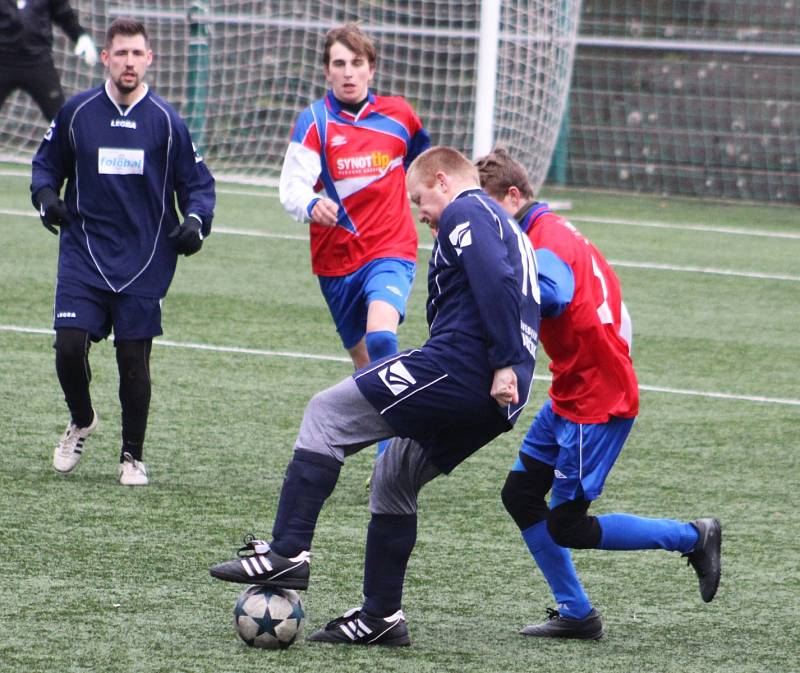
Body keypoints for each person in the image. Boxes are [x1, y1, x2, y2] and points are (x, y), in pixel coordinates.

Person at [210, 147, 540, 646]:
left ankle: (287, 552)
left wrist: (501, 363)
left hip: (464, 369)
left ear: (443, 181)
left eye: (420, 199)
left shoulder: (467, 209)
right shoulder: (507, 224)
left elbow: (495, 281)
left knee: (325, 413)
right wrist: (510, 366)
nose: (421, 211)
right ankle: (381, 616)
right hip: (498, 397)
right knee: (394, 476)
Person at [474, 147, 721, 640]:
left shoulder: (543, 243)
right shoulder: (555, 229)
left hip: (596, 399)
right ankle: (577, 613)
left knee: (568, 524)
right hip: (576, 384)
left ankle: (694, 537)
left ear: (514, 197)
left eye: (485, 211)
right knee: (521, 494)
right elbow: (612, 304)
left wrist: (501, 299)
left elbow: (554, 292)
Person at [30, 17, 215, 486]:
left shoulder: (168, 123)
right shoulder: (77, 112)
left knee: (134, 362)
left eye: (137, 54)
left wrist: (196, 221)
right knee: (69, 347)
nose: (129, 62)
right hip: (84, 251)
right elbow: (45, 166)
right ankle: (82, 417)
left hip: (144, 258)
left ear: (149, 59)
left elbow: (197, 186)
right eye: (121, 53)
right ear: (106, 58)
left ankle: (131, 456)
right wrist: (47, 198)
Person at [278, 23, 430, 464]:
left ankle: (392, 454)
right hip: (336, 262)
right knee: (367, 369)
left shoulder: (399, 115)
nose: (348, 73)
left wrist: (436, 206)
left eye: (357, 64)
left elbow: (424, 162)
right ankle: (395, 424)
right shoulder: (315, 123)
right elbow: (291, 188)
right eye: (339, 64)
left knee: (382, 338)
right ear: (327, 72)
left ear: (371, 69)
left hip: (391, 249)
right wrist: (311, 205)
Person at [1, 0, 98, 122]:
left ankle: (72, 140)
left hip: (38, 62)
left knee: (60, 118)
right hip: (3, 62)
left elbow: (63, 14)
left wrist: (81, 36)